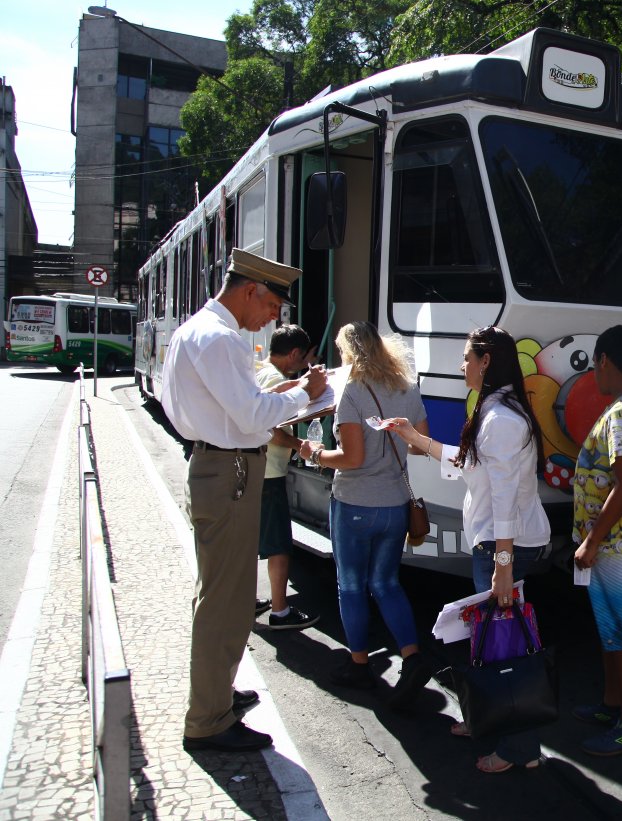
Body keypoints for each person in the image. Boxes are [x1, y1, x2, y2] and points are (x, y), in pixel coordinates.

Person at [162, 248, 327, 753]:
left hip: (219, 465)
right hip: (230, 470)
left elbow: (229, 407)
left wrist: (292, 390)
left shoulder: (197, 330)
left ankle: (216, 692)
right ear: (251, 290)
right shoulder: (220, 339)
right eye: (273, 305)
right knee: (226, 600)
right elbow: (253, 414)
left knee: (222, 591)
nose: (274, 317)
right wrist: (305, 395)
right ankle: (209, 719)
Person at [387, 326, 550, 774]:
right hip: (502, 546)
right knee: (491, 638)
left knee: (506, 646)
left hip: (504, 548)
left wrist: (502, 563)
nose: (461, 366)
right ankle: (486, 720)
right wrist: (412, 437)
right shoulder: (498, 412)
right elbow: (467, 464)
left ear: (486, 362)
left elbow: (501, 497)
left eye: (466, 358)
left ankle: (520, 749)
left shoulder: (500, 419)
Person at [303, 321, 431, 708]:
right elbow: (421, 446)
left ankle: (359, 665)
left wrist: (315, 454)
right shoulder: (406, 388)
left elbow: (352, 458)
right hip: (394, 504)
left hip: (355, 503)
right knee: (387, 583)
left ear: (350, 353)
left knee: (352, 586)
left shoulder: (352, 392)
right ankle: (412, 657)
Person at [572, 325, 622, 756]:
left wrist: (592, 540)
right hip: (615, 541)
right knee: (612, 629)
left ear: (604, 360)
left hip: (616, 545)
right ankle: (612, 704)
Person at [254, 325, 320, 631]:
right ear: (293, 354)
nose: (306, 365)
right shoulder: (277, 381)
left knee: (250, 540)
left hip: (255, 471)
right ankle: (280, 611)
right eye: (305, 358)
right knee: (278, 543)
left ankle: (247, 599)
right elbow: (270, 429)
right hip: (269, 475)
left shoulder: (260, 373)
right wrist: (299, 445)